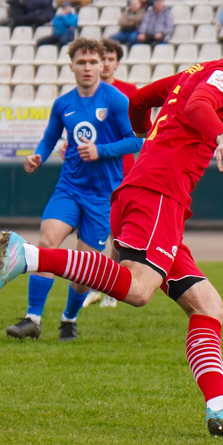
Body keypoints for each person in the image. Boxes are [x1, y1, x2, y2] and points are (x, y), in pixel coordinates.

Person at [0, 17, 223, 438]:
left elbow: (140, 98)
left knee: (208, 305)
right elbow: (196, 108)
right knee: (138, 290)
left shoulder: (202, 69)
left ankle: (220, 408)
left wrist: (145, 135)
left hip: (148, 190)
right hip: (158, 193)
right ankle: (28, 255)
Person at [2, 38, 142, 342]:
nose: (89, 68)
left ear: (102, 64)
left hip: (103, 195)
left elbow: (135, 141)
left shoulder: (116, 100)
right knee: (46, 242)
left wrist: (101, 151)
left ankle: (69, 318)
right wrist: (37, 155)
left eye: (94, 62)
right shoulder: (63, 103)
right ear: (71, 67)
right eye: (82, 62)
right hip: (69, 187)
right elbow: (49, 138)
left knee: (83, 270)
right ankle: (32, 319)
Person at [82, 39, 141, 310]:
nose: (104, 63)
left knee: (116, 235)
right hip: (90, 174)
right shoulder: (86, 93)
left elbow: (138, 137)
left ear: (117, 63)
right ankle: (97, 286)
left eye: (109, 59)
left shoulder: (128, 93)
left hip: (122, 172)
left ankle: (110, 289)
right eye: (100, 58)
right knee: (93, 234)